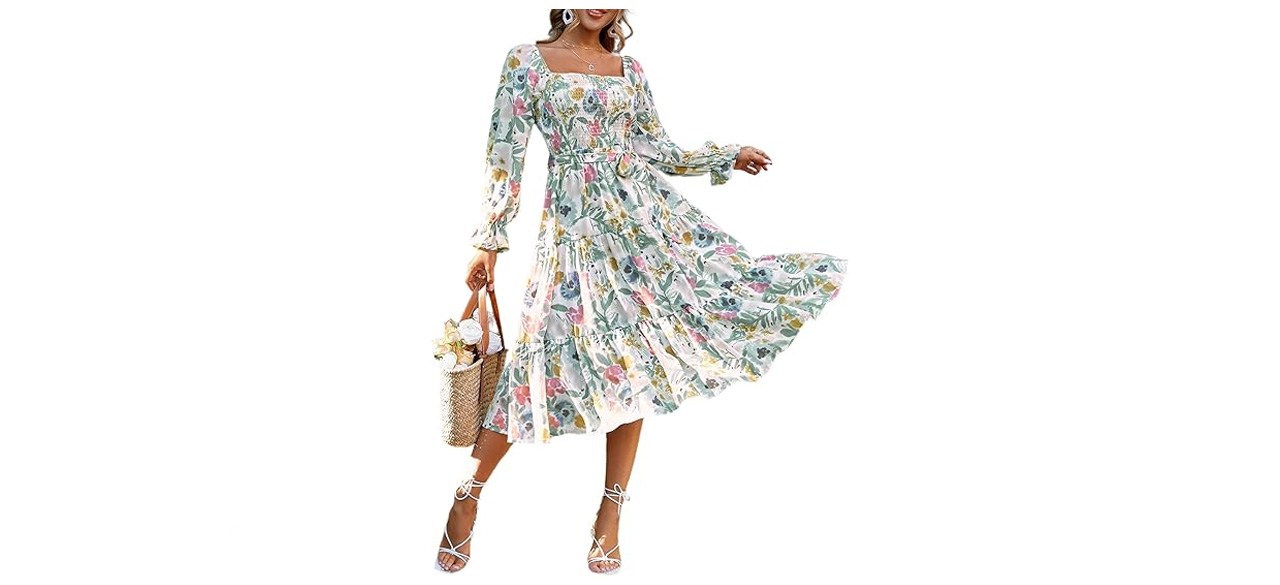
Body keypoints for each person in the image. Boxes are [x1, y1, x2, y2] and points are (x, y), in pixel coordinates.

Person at [437, 9, 847, 574]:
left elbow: (658, 150)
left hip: (640, 229)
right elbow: (504, 156)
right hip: (572, 235)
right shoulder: (526, 62)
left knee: (636, 366)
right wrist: (489, 241)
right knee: (535, 357)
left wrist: (725, 157)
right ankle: (469, 492)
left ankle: (611, 511)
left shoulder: (628, 69)